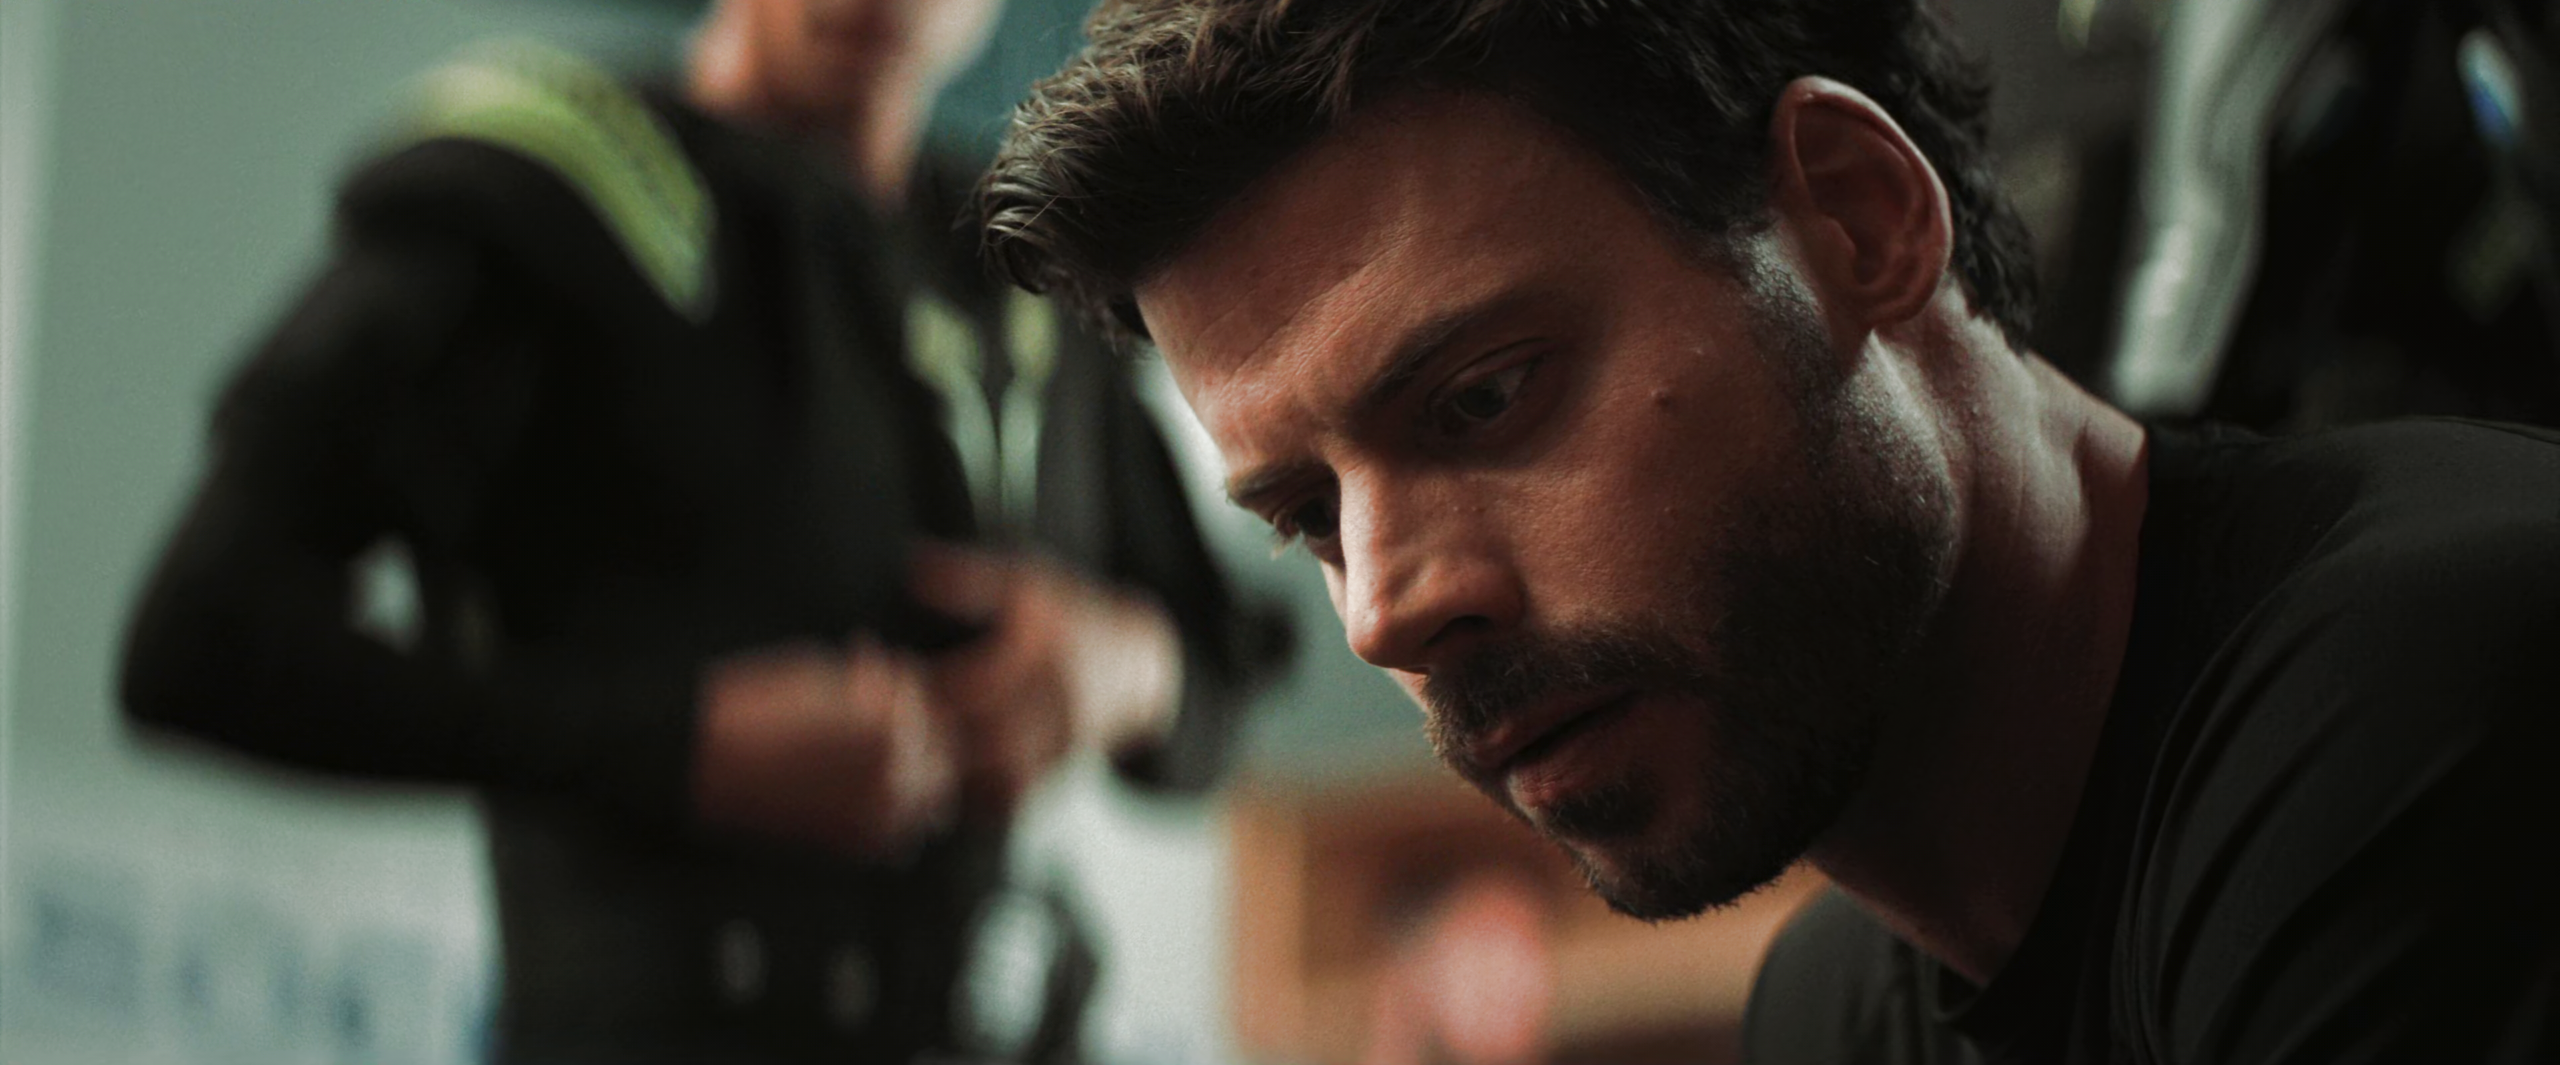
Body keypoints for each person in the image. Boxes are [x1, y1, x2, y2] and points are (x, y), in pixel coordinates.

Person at [972, 2, 2560, 1062]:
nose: (1384, 609)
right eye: (1312, 515)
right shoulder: (1835, 1003)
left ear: (1859, 216)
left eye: (1485, 397)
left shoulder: (2427, 710)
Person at [118, 1, 1284, 1062]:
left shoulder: (1018, 267)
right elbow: (203, 643)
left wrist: (1127, 672)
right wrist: (679, 746)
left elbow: (1214, 685)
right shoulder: (551, 193)